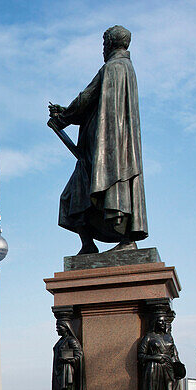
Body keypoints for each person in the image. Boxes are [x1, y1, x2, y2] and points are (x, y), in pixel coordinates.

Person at [48, 25, 147, 255]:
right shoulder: (127, 69)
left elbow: (86, 98)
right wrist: (66, 112)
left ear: (110, 44)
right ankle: (88, 245)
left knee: (73, 195)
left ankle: (123, 240)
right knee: (76, 195)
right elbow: (92, 103)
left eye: (104, 44)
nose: (103, 49)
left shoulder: (112, 68)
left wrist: (63, 117)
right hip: (108, 150)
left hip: (104, 152)